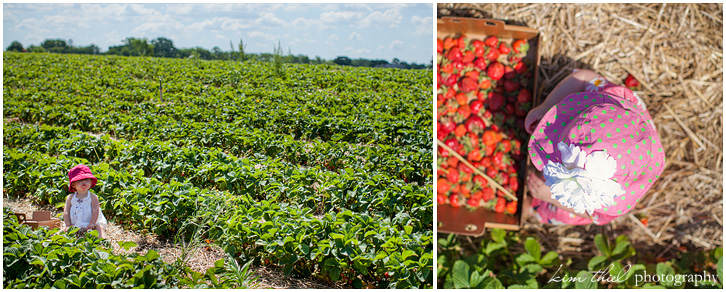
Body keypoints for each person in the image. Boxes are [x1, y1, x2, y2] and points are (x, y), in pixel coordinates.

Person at [522, 69, 665, 225]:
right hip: (629, 123)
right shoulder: (613, 97)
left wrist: (550, 197)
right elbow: (582, 78)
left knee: (562, 214)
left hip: (580, 197)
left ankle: (531, 208)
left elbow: (592, 214)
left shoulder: (608, 197)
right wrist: (545, 107)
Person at [63, 164, 108, 238]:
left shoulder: (93, 197)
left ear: (91, 182)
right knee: (64, 232)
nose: (83, 181)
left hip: (91, 223)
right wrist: (68, 225)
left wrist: (91, 223)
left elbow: (95, 211)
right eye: (80, 180)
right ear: (73, 184)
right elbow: (66, 212)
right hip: (75, 224)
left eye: (86, 179)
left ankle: (103, 242)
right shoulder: (70, 198)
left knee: (99, 228)